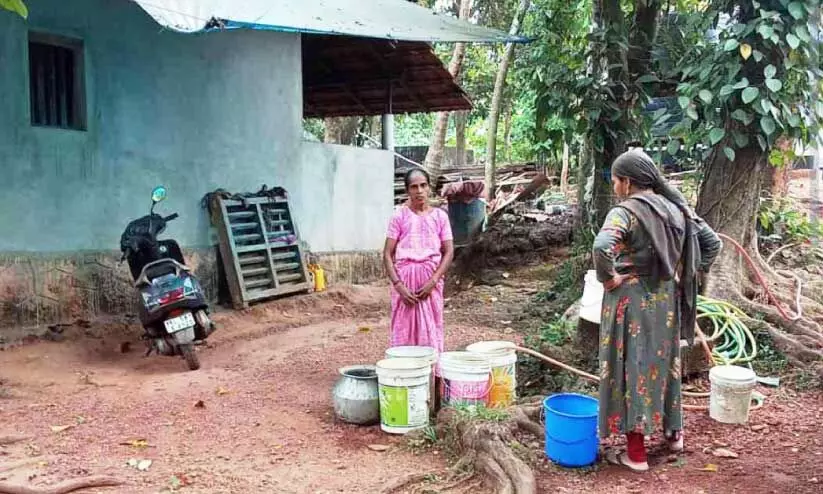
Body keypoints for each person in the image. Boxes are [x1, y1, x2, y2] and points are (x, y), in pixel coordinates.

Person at [593, 148, 722, 472]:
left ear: (627, 182)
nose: (615, 186)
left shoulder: (626, 211)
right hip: (666, 302)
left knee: (632, 367)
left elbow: (600, 247)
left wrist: (609, 279)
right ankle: (673, 435)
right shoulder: (677, 208)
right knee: (665, 364)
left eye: (616, 180)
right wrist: (686, 274)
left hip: (631, 302)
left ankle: (636, 454)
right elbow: (712, 244)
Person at [383, 168, 455, 402]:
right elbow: (387, 254)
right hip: (405, 281)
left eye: (423, 185)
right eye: (414, 187)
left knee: (431, 332)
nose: (419, 191)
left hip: (430, 282)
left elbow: (449, 251)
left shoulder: (440, 217)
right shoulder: (399, 216)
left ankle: (433, 396)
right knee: (403, 333)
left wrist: (433, 281)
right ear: (407, 190)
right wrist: (399, 286)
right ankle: (403, 390)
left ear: (429, 187)